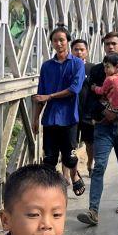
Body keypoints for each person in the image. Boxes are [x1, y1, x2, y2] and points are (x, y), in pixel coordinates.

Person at [77, 32, 118, 226]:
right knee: (99, 167)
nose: (110, 47)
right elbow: (90, 97)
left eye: (114, 44)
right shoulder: (99, 70)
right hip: (103, 127)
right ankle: (93, 210)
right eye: (107, 44)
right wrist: (103, 112)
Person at [32, 27, 86, 197]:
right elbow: (41, 95)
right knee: (49, 159)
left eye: (62, 40)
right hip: (50, 118)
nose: (59, 43)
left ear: (67, 41)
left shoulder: (77, 63)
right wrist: (35, 118)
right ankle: (51, 190)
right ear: (52, 43)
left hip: (69, 117)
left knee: (70, 157)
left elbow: (74, 89)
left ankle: (74, 173)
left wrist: (50, 96)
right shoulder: (46, 66)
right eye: (55, 40)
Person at [71, 38, 95, 177]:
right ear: (72, 51)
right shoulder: (68, 67)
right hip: (71, 112)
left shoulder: (92, 68)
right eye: (76, 49)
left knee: (90, 142)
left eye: (82, 50)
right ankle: (70, 172)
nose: (79, 52)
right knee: (70, 144)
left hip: (88, 112)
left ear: (87, 52)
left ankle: (90, 164)